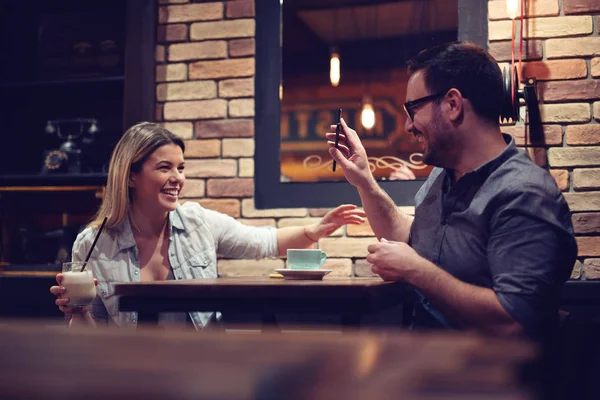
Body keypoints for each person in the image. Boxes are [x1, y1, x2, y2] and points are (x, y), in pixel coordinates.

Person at [326, 41, 577, 340]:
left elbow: (514, 322)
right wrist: (364, 180)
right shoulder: (441, 177)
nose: (407, 126)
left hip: (491, 382)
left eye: (412, 109)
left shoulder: (525, 193)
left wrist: (416, 271)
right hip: (427, 366)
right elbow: (411, 240)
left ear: (453, 105)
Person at [50, 122, 365, 329]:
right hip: (134, 376)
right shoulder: (93, 243)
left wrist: (315, 230)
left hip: (204, 369)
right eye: (164, 168)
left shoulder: (198, 222)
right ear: (131, 176)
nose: (178, 178)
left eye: (181, 167)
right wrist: (78, 312)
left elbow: (262, 241)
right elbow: (95, 341)